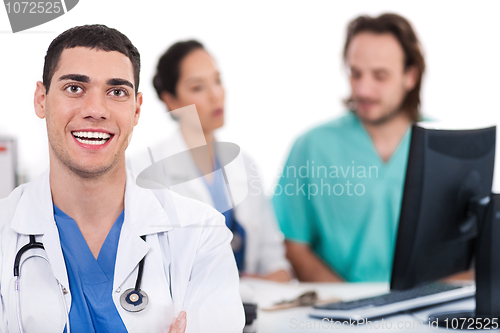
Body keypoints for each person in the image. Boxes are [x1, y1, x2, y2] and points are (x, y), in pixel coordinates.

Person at [0, 25, 244, 333]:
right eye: (75, 88)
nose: (96, 110)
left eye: (117, 92)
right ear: (41, 99)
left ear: (137, 109)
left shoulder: (201, 235)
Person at [272, 13, 425, 283]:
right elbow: (292, 244)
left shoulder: (446, 144)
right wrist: (349, 308)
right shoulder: (311, 147)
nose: (363, 90)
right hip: (340, 314)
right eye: (355, 74)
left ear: (410, 76)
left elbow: (470, 247)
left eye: (380, 76)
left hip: (427, 313)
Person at [129, 40, 291, 282]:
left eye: (217, 81)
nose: (216, 95)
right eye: (198, 87)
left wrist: (257, 282)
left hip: (249, 309)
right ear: (170, 101)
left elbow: (275, 263)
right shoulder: (141, 171)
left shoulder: (245, 166)